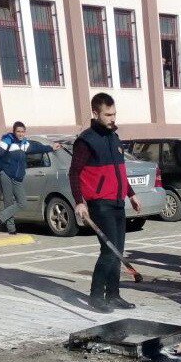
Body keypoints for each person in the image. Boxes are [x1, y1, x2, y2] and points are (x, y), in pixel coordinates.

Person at [69, 93, 142, 313]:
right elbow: (74, 173)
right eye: (108, 114)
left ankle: (113, 295)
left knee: (118, 251)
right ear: (95, 113)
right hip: (100, 203)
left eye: (114, 114)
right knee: (109, 251)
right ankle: (95, 297)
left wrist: (131, 193)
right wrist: (79, 202)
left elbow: (119, 172)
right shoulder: (86, 140)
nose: (112, 118)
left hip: (118, 202)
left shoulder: (113, 137)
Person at [0, 122, 60, 234]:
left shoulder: (25, 144)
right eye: (18, 131)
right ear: (14, 131)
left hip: (17, 177)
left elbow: (38, 148)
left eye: (22, 131)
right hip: (6, 175)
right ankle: (11, 229)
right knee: (8, 201)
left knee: (22, 202)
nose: (20, 134)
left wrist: (51, 147)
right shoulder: (7, 141)